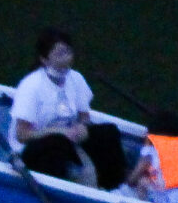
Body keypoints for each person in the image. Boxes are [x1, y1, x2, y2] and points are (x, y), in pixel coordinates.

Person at [10, 26, 128, 189]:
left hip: (69, 138)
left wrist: (82, 128)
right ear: (44, 59)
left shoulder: (76, 78)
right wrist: (57, 131)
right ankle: (61, 190)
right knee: (56, 145)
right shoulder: (31, 85)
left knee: (108, 132)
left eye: (68, 52)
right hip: (36, 145)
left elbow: (84, 118)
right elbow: (21, 135)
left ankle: (113, 186)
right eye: (59, 54)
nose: (66, 59)